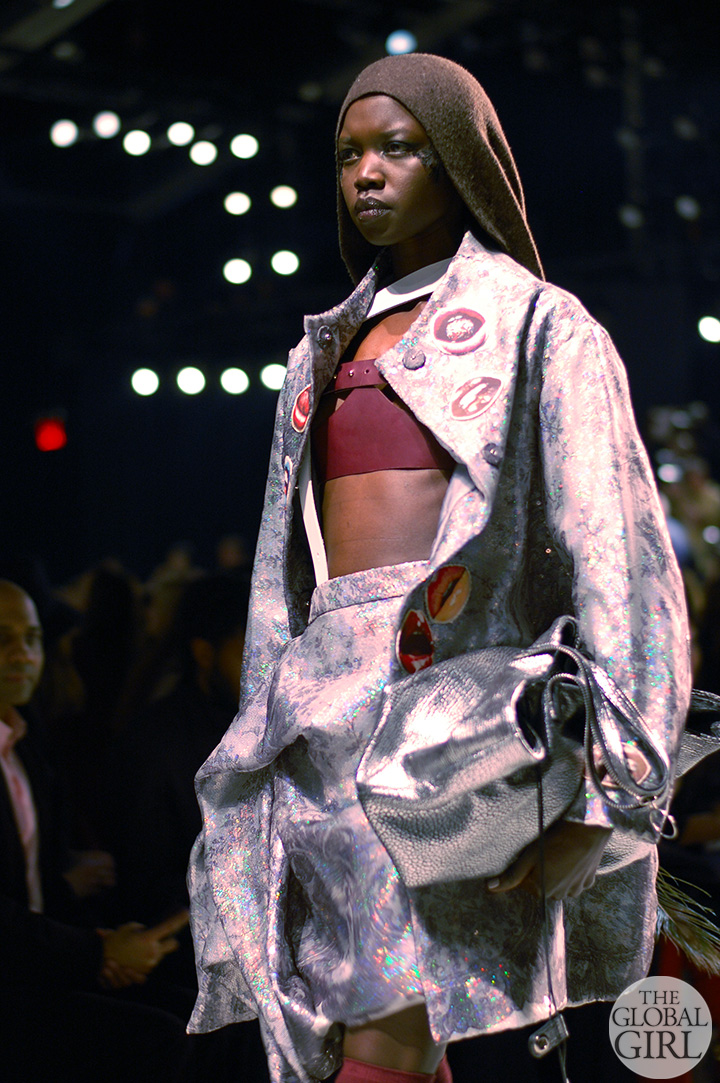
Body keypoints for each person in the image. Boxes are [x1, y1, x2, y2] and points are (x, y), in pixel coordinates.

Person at [188, 54, 690, 1083]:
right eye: (348, 154)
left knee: (389, 1021)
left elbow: (623, 565)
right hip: (316, 731)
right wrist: (260, 737)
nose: (366, 172)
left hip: (452, 738)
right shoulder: (314, 356)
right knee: (352, 1031)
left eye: (398, 146)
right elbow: (278, 589)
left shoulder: (539, 326)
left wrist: (614, 796)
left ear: (458, 156)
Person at [0, 578, 190, 1081]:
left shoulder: (24, 745)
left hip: (43, 964)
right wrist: (97, 952)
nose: (22, 654)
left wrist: (107, 943)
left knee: (208, 1017)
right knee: (161, 1040)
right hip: (16, 985)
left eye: (32, 638)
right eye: (3, 639)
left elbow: (37, 892)